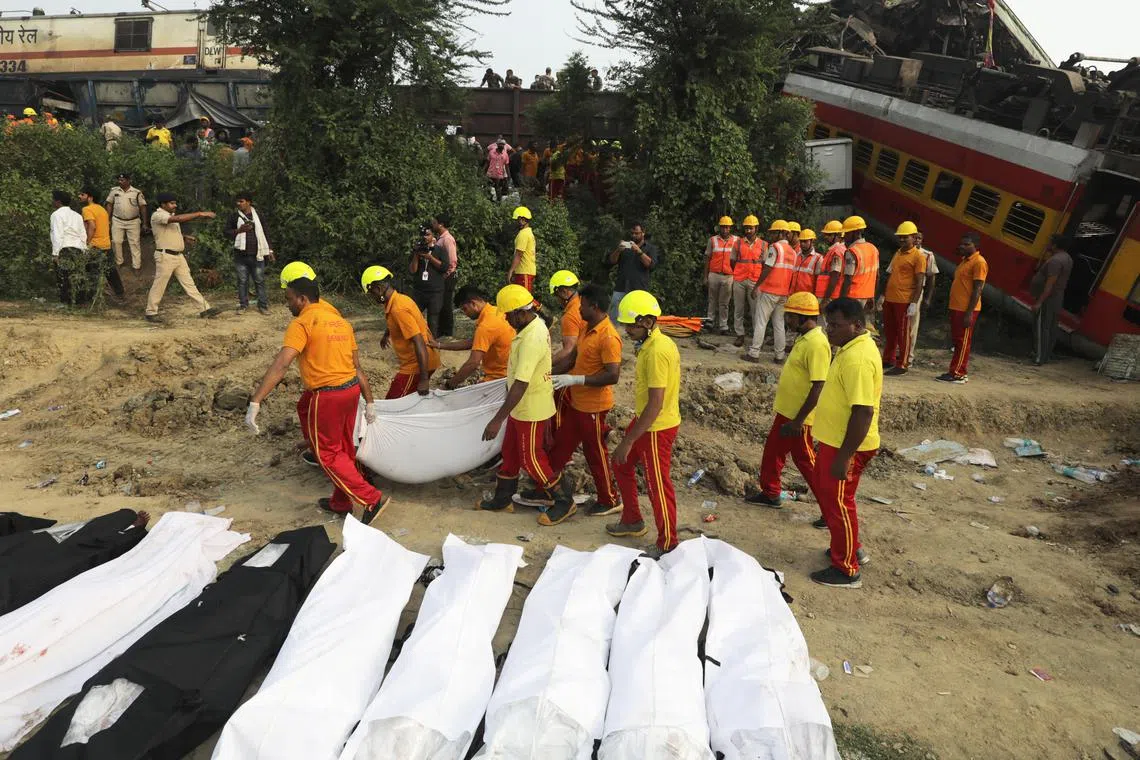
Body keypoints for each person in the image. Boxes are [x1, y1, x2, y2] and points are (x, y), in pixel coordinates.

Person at [246, 263, 389, 525]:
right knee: (342, 447)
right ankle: (340, 501)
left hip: (328, 396)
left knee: (327, 454)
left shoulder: (302, 323)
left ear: (302, 299)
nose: (287, 304)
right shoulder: (340, 321)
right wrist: (367, 400)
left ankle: (370, 498)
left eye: (289, 299)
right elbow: (357, 366)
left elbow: (282, 364)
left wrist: (256, 401)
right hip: (349, 391)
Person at [478, 284, 574, 525]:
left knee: (531, 458)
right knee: (510, 452)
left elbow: (521, 383)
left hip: (530, 406)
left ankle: (564, 501)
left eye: (509, 316)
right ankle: (502, 498)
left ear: (520, 313)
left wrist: (497, 419)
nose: (508, 321)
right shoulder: (530, 327)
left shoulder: (532, 336)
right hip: (521, 405)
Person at [531, 283, 624, 516]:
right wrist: (547, 374)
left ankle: (609, 499)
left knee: (596, 454)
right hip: (577, 403)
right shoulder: (587, 327)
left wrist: (577, 380)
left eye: (582, 305)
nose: (578, 309)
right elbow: (571, 358)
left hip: (593, 406)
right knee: (561, 445)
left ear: (594, 306)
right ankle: (547, 487)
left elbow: (613, 375)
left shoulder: (609, 337)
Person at [811, 297, 882, 589]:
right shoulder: (849, 348)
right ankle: (849, 547)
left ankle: (847, 568)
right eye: (828, 324)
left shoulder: (858, 358)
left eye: (836, 326)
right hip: (836, 442)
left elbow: (864, 411)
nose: (829, 330)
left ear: (856, 325)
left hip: (848, 446)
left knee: (839, 502)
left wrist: (844, 456)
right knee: (833, 499)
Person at [605, 291, 682, 557]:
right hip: (647, 421)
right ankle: (632, 519)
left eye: (631, 325)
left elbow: (656, 403)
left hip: (656, 426)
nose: (627, 330)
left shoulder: (656, 352)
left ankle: (668, 543)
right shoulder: (651, 346)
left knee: (657, 483)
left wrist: (628, 440)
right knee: (620, 463)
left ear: (647, 322)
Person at [747, 292, 830, 512]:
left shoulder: (817, 344)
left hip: (799, 419)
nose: (788, 320)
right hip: (787, 412)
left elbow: (819, 386)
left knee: (808, 464)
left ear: (804, 317)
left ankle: (831, 508)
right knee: (773, 453)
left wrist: (799, 420)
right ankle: (770, 493)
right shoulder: (805, 339)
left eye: (791, 317)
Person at [361, 265, 441, 398]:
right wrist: (387, 334)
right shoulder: (395, 301)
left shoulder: (399, 308)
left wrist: (424, 379)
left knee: (393, 403)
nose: (371, 297)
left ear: (378, 289)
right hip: (419, 362)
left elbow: (418, 341)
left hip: (417, 365)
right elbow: (395, 322)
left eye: (371, 293)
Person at [145, 193, 221, 322]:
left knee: (189, 283)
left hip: (178, 256)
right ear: (163, 205)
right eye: (172, 203)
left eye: (175, 203)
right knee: (159, 285)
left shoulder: (170, 216)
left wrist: (184, 238)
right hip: (165, 256)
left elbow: (169, 231)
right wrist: (200, 214)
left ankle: (204, 308)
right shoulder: (157, 215)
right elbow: (179, 219)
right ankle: (151, 312)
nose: (175, 205)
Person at [433, 285, 515, 388]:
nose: (465, 313)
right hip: (512, 370)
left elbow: (473, 363)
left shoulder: (486, 326)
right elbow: (473, 342)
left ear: (473, 303)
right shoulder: (495, 311)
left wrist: (449, 385)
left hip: (500, 378)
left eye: (465, 309)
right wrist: (440, 345)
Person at [876, 221, 927, 375]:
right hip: (891, 299)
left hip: (904, 300)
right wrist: (883, 296)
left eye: (905, 237)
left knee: (903, 333)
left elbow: (919, 282)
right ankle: (888, 359)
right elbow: (890, 275)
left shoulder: (919, 257)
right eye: (900, 237)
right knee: (890, 332)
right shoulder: (898, 253)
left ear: (914, 237)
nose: (902, 240)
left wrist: (913, 303)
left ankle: (902, 363)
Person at [938, 232, 987, 384]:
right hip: (957, 307)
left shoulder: (979, 262)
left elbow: (978, 289)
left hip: (966, 309)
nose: (963, 247)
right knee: (958, 341)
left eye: (967, 244)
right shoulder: (964, 261)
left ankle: (959, 373)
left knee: (963, 342)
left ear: (976, 246)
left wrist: (969, 313)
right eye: (962, 244)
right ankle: (955, 370)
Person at [744, 219, 796, 363]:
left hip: (769, 291)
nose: (771, 236)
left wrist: (756, 286)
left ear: (781, 233)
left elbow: (768, 268)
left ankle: (754, 353)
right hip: (783, 293)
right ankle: (780, 356)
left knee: (761, 322)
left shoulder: (775, 248)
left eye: (773, 233)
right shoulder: (793, 252)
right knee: (779, 324)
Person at [887, 230, 939, 361]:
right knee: (895, 327)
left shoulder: (926, 255)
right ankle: (895, 355)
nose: (917, 241)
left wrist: (926, 298)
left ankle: (907, 356)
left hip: (914, 294)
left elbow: (930, 278)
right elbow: (890, 273)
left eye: (919, 238)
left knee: (911, 326)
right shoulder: (899, 253)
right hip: (895, 295)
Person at [224, 191, 274, 314]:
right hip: (240, 255)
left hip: (257, 254)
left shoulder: (258, 215)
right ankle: (243, 305)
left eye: (241, 201)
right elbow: (226, 232)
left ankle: (262, 306)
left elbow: (266, 233)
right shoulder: (234, 216)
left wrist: (270, 250)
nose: (238, 203)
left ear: (248, 202)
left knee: (260, 281)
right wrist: (239, 230)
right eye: (237, 201)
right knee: (242, 281)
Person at [50, 190, 100, 305]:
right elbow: (83, 233)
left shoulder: (56, 215)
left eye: (53, 199)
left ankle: (65, 302)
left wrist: (55, 253)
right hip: (78, 248)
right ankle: (80, 302)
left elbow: (58, 234)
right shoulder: (77, 215)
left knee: (63, 277)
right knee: (78, 276)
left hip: (65, 248)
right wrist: (84, 249)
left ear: (58, 201)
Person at [1030, 234, 1073, 366]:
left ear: (1055, 245)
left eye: (1049, 242)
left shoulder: (1055, 261)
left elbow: (1050, 285)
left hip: (1049, 297)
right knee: (1051, 326)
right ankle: (1046, 355)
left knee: (1043, 327)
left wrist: (1039, 302)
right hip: (1057, 296)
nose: (1047, 245)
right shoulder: (1067, 258)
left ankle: (1039, 356)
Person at [606, 221, 660, 323]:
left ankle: (635, 334)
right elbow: (612, 261)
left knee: (637, 313)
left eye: (637, 233)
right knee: (614, 310)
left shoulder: (650, 248)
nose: (634, 235)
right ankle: (613, 331)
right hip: (621, 285)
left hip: (639, 287)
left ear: (643, 233)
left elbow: (651, 265)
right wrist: (618, 250)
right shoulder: (625, 247)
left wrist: (639, 251)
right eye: (632, 233)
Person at [78, 188, 124, 300]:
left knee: (91, 272)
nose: (79, 196)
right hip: (106, 245)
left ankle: (91, 298)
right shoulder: (102, 210)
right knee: (110, 271)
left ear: (90, 197)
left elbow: (92, 226)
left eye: (82, 194)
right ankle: (120, 294)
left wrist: (87, 242)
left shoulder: (87, 209)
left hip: (95, 246)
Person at [731, 215, 766, 347]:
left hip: (755, 281)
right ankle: (740, 335)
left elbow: (765, 265)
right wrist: (737, 272)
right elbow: (732, 261)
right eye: (746, 228)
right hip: (739, 279)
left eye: (750, 228)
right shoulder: (738, 243)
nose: (748, 231)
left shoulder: (763, 244)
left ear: (756, 228)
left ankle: (757, 337)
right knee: (738, 309)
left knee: (756, 311)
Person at [408, 224, 448, 337]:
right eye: (423, 235)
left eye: (427, 235)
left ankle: (433, 345)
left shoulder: (440, 250)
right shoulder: (417, 250)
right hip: (419, 291)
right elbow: (412, 270)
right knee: (413, 316)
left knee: (433, 321)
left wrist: (430, 258)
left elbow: (445, 267)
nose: (425, 237)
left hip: (435, 292)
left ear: (433, 236)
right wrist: (416, 255)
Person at [105, 173, 147, 271]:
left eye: (122, 180)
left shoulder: (136, 192)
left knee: (135, 243)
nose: (120, 182)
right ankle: (119, 262)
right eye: (119, 180)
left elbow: (143, 207)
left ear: (129, 181)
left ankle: (136, 266)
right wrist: (108, 218)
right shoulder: (114, 191)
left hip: (133, 221)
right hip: (117, 220)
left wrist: (145, 223)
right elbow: (109, 204)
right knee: (116, 242)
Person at [839, 215, 879, 315]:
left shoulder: (852, 251)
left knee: (849, 327)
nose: (845, 237)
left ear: (856, 233)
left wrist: (841, 301)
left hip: (852, 298)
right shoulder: (873, 248)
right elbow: (877, 276)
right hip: (867, 298)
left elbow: (848, 278)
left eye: (847, 233)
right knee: (862, 327)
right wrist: (872, 296)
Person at [705, 216, 737, 334]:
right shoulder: (712, 240)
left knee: (724, 302)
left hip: (728, 275)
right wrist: (705, 276)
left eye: (727, 227)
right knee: (712, 299)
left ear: (730, 228)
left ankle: (723, 325)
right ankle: (710, 321)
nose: (725, 230)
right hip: (714, 274)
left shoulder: (736, 241)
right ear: (720, 227)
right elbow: (707, 258)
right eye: (723, 227)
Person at [431, 214, 458, 339]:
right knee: (440, 304)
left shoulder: (447, 239)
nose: (433, 225)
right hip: (443, 276)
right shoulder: (440, 238)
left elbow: (452, 261)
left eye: (435, 222)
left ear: (441, 224)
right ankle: (441, 331)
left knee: (446, 304)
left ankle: (447, 333)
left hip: (447, 276)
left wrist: (445, 275)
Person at [818, 220, 851, 316]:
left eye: (829, 235)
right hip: (829, 294)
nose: (826, 237)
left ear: (837, 235)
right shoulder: (837, 250)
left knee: (823, 326)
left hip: (829, 295)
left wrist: (825, 299)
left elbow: (835, 276)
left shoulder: (837, 251)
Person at [508, 206, 537, 291]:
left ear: (523, 220)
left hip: (524, 271)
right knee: (521, 299)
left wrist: (511, 271)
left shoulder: (523, 234)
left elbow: (519, 254)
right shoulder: (528, 233)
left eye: (517, 220)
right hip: (525, 271)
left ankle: (540, 305)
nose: (516, 222)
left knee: (525, 300)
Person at [793, 228, 823, 299]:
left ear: (812, 241)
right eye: (801, 241)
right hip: (793, 295)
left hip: (808, 297)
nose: (802, 244)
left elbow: (818, 281)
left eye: (805, 241)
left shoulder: (818, 258)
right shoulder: (796, 255)